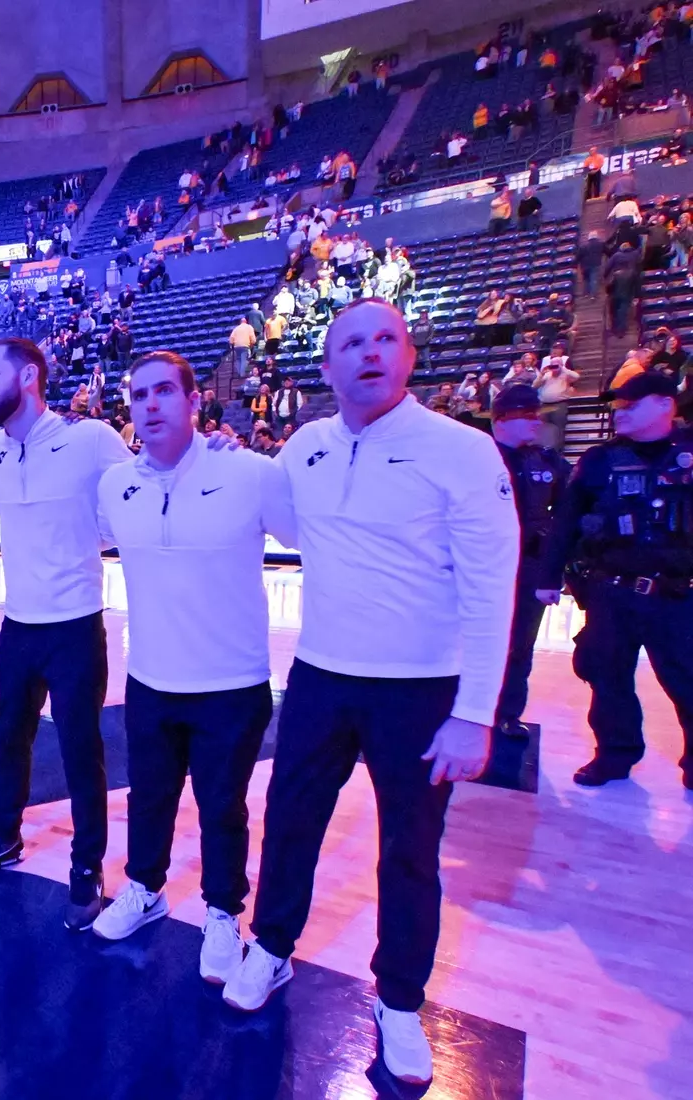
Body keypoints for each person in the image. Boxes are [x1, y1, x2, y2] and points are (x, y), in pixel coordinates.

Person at [224, 300, 519, 1090]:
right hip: (321, 676)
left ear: (410, 354)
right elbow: (287, 526)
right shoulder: (306, 447)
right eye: (351, 343)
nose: (369, 353)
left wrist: (474, 713)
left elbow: (496, 591)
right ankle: (272, 948)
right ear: (326, 368)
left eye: (385, 338)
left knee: (410, 852)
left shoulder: (462, 449)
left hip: (421, 692)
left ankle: (397, 1000)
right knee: (288, 826)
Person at [90, 351, 294, 983]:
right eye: (139, 395)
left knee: (222, 807)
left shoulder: (251, 475)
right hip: (150, 678)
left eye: (163, 393)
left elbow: (311, 538)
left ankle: (223, 912)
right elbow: (97, 536)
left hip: (230, 685)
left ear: (193, 400)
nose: (149, 405)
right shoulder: (115, 486)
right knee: (148, 797)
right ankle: (145, 888)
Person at [0, 338, 132, 934]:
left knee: (83, 753)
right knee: (13, 743)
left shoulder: (92, 440)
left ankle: (87, 865)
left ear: (29, 377)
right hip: (20, 625)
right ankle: (4, 836)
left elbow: (128, 509)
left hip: (77, 625)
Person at [535, 371, 693, 787]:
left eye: (630, 404)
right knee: (607, 679)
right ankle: (614, 755)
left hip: (675, 594)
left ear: (664, 403)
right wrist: (548, 575)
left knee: (687, 679)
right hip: (612, 591)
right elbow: (565, 521)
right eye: (617, 405)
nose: (618, 412)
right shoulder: (599, 459)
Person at [490, 385, 569, 742]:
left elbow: (573, 509)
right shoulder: (477, 456)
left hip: (530, 568)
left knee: (520, 645)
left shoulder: (547, 461)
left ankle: (507, 714)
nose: (537, 421)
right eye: (527, 414)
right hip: (482, 568)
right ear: (502, 418)